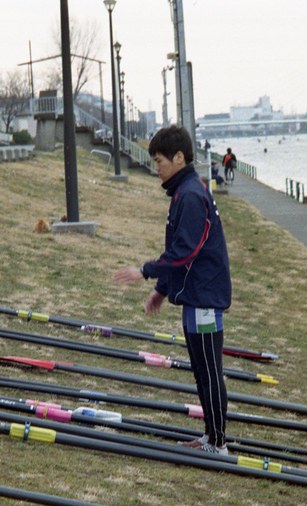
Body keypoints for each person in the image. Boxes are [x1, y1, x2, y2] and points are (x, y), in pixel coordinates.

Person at [113, 125, 232, 455]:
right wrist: (162, 290)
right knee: (200, 371)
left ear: (180, 158)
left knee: (210, 371)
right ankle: (210, 436)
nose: (156, 168)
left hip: (205, 296)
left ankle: (219, 443)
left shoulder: (192, 195)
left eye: (159, 161)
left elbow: (185, 251)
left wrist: (145, 272)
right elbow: (178, 251)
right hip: (193, 295)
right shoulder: (184, 191)